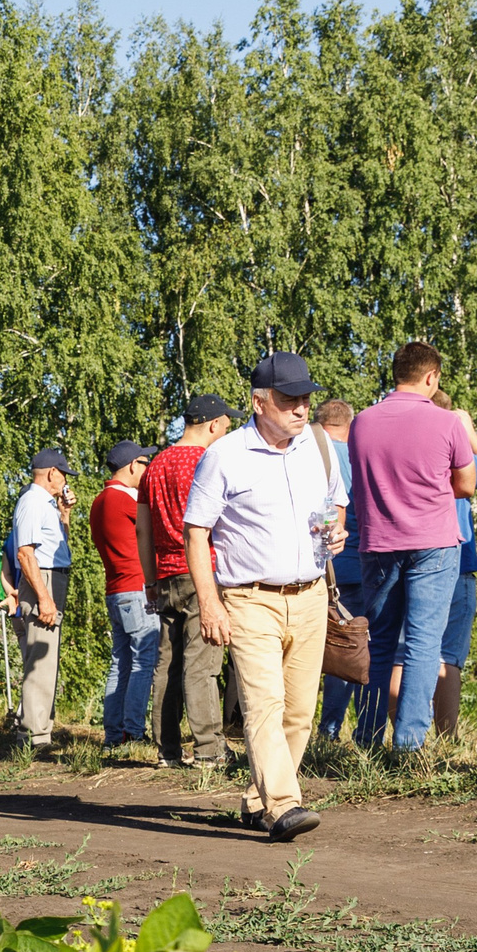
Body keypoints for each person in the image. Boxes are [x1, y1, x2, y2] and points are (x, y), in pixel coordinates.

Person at [183, 353, 346, 842]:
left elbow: (334, 505)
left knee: (299, 710)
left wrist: (335, 532)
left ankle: (258, 801)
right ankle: (283, 802)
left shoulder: (319, 447)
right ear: (259, 402)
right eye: (289, 399)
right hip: (249, 599)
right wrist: (210, 603)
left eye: (305, 398)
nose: (301, 408)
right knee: (264, 703)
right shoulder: (225, 456)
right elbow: (196, 534)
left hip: (312, 594)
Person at [348, 342, 475, 754]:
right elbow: (467, 485)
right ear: (432, 376)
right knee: (424, 643)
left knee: (379, 641)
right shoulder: (448, 422)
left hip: (379, 542)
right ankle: (409, 744)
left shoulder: (362, 422)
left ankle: (367, 737)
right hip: (433, 543)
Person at [146, 395, 240, 765]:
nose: (227, 431)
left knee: (166, 665)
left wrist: (150, 578)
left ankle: (167, 749)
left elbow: (142, 527)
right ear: (214, 424)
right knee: (203, 665)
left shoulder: (155, 464)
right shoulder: (205, 461)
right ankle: (209, 748)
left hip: (166, 573)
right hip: (201, 570)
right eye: (226, 425)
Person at [428, 393, 477, 737]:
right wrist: (468, 431)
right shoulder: (460, 457)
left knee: (402, 651)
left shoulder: (408, 450)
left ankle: (403, 738)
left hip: (406, 557)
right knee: (448, 656)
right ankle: (446, 736)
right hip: (456, 563)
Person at [90, 441, 159, 749]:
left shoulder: (99, 501)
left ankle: (114, 735)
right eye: (146, 464)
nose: (148, 470)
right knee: (144, 661)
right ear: (133, 465)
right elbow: (155, 530)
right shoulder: (125, 499)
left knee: (121, 663)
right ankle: (133, 732)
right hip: (137, 589)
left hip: (116, 589)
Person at [11, 449, 75, 752]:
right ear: (52, 472)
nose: (64, 481)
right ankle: (35, 736)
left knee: (46, 658)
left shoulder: (44, 503)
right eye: (63, 474)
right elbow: (26, 554)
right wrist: (44, 599)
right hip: (43, 580)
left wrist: (64, 514)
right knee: (40, 658)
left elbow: (55, 544)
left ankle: (38, 730)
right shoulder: (33, 501)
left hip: (51, 577)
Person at [313, 400, 364, 738]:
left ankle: (327, 729)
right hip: (362, 563)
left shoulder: (308, 454)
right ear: (350, 424)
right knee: (357, 647)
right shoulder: (361, 456)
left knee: (325, 648)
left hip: (320, 566)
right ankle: (366, 728)